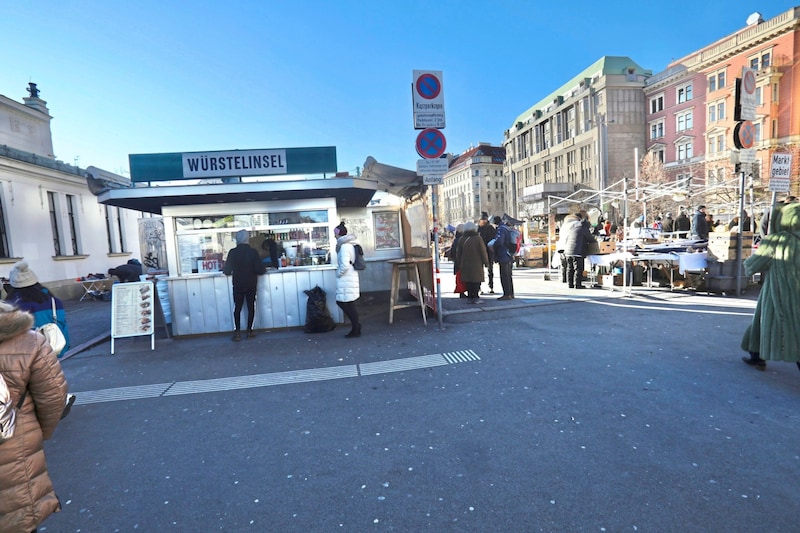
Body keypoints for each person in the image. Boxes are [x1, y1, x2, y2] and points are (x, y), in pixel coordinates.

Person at [0, 300, 69, 532]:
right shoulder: (30, 341)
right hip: (15, 446)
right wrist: (39, 433)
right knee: (17, 516)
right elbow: (53, 398)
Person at [740, 202, 800, 371]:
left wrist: (748, 264)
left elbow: (754, 265)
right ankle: (755, 354)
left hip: (779, 291)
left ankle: (757, 356)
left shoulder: (778, 240)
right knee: (763, 322)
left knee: (789, 326)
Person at [7, 261, 71, 356]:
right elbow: (62, 324)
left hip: (26, 355)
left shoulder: (13, 305)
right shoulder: (53, 301)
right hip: (53, 349)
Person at [223, 229, 266, 341]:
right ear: (247, 238)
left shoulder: (232, 252)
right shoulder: (253, 252)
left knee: (237, 308)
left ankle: (237, 332)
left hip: (238, 284)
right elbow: (260, 270)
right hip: (251, 283)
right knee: (251, 307)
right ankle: (249, 331)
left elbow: (227, 271)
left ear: (237, 239)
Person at [334, 222, 362, 338]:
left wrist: (338, 274)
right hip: (349, 277)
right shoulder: (347, 245)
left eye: (335, 234)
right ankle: (355, 327)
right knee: (348, 304)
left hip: (346, 278)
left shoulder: (345, 247)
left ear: (339, 234)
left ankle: (356, 327)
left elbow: (345, 265)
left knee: (345, 303)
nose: (334, 236)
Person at [456, 221, 489, 304]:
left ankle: (470, 297)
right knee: (476, 281)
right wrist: (486, 262)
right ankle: (476, 297)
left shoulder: (462, 239)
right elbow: (483, 251)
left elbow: (458, 253)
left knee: (468, 281)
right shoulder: (478, 238)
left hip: (465, 264)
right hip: (476, 264)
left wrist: (458, 263)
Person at [563, 211, 595, 289]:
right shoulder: (584, 228)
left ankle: (570, 284)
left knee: (570, 268)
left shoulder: (574, 227)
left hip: (568, 251)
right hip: (577, 251)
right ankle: (578, 284)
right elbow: (590, 239)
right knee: (578, 268)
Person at [491, 216, 515, 300]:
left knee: (504, 275)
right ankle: (511, 294)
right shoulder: (506, 228)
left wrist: (493, 245)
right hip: (508, 254)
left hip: (503, 254)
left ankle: (507, 294)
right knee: (508, 275)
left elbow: (500, 241)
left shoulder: (501, 229)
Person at [477, 213, 496, 294]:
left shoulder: (490, 228)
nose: (483, 221)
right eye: (482, 220)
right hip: (480, 252)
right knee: (479, 271)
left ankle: (491, 286)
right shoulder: (478, 229)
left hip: (488, 251)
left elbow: (493, 240)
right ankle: (479, 287)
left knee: (490, 270)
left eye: (484, 220)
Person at [449, 224, 466, 298]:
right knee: (462, 277)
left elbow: (452, 251)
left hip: (457, 261)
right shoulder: (463, 239)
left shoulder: (456, 239)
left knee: (459, 277)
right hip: (462, 261)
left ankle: (461, 291)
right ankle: (462, 292)